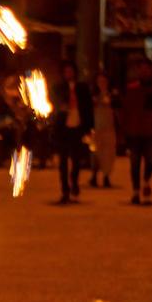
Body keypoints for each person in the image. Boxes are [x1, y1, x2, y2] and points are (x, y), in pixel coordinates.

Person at [118, 57, 152, 205]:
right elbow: (125, 110)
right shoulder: (131, 89)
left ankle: (146, 180)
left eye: (146, 68)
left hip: (151, 131)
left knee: (150, 160)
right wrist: (124, 129)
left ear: (150, 70)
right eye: (141, 68)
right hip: (134, 132)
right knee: (134, 163)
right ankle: (136, 190)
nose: (144, 71)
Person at [50, 61, 94, 204]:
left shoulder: (82, 88)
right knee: (63, 161)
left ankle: (74, 183)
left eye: (71, 71)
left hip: (77, 126)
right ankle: (65, 190)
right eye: (66, 71)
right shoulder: (58, 87)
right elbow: (53, 103)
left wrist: (89, 128)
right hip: (63, 128)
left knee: (76, 160)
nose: (68, 74)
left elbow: (88, 108)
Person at [89, 71, 118, 189]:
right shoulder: (93, 96)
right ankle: (94, 175)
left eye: (104, 81)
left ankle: (106, 176)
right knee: (96, 153)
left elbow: (118, 108)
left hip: (109, 127)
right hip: (96, 128)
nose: (102, 83)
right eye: (99, 81)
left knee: (108, 153)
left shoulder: (113, 95)